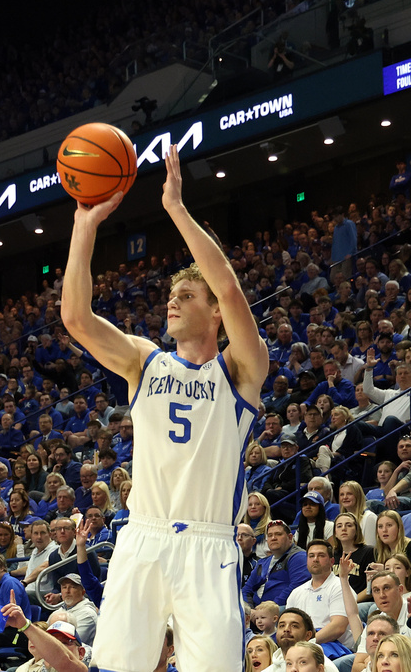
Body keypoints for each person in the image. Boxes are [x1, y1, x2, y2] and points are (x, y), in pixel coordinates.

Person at [61, 144, 267, 672]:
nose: (172, 301)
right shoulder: (143, 361)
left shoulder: (241, 368)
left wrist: (175, 208)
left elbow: (227, 284)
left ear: (215, 313)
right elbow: (77, 319)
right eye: (171, 295)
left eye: (186, 295)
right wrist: (84, 226)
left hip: (208, 542)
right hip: (143, 533)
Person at [284, 540, 354, 652]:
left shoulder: (340, 587)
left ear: (332, 561)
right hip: (303, 646)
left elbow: (338, 627)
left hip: (335, 647)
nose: (315, 559)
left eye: (321, 555)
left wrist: (307, 643)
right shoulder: (296, 593)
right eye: (311, 556)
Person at [243, 521, 311, 607]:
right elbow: (246, 589)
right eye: (270, 535)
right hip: (257, 612)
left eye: (278, 534)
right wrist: (249, 609)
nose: (273, 538)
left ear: (290, 537)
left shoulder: (299, 557)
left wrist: (270, 608)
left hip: (282, 610)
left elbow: (296, 587)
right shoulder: (262, 562)